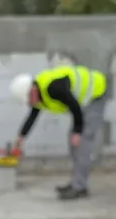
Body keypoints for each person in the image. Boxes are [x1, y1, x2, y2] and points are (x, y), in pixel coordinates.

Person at [10, 64, 109, 200]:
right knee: (74, 144)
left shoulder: (53, 88)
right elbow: (32, 116)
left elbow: (74, 106)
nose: (29, 103)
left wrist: (78, 131)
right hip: (83, 101)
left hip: (95, 94)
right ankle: (77, 183)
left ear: (32, 90)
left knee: (82, 143)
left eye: (28, 100)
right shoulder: (38, 93)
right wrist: (21, 137)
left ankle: (79, 187)